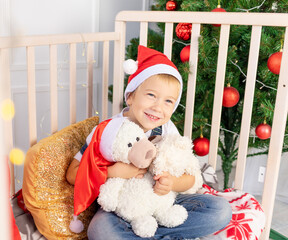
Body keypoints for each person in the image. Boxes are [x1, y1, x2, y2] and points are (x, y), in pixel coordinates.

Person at [66, 45, 232, 240]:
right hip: (124, 210)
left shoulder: (168, 130)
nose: (157, 107)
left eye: (168, 101)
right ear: (130, 96)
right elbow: (72, 174)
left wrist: (172, 183)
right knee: (100, 230)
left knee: (220, 210)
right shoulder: (107, 131)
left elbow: (192, 178)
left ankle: (150, 235)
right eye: (151, 95)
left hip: (163, 205)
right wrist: (112, 172)